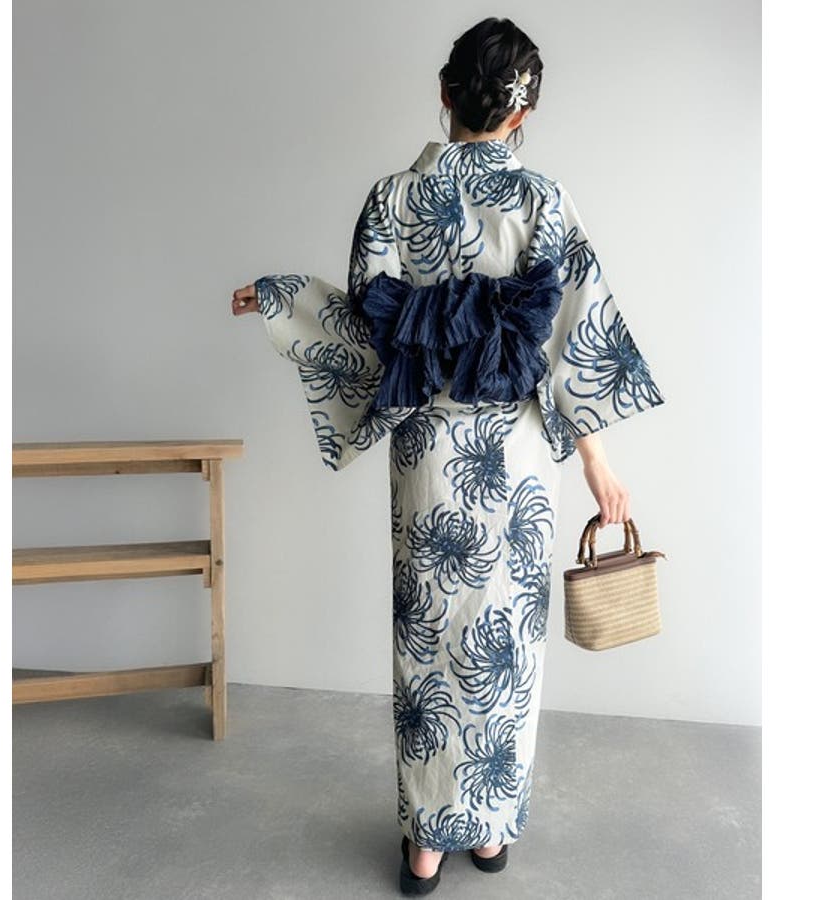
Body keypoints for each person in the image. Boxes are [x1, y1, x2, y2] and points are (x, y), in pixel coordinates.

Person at [231, 16, 665, 896]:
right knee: (509, 643)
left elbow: (369, 335)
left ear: (445, 94)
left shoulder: (393, 199)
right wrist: (595, 461)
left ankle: (426, 844)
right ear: (522, 112)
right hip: (517, 458)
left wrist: (286, 300)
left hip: (430, 457)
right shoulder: (544, 199)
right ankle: (492, 831)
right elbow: (569, 335)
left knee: (429, 639)